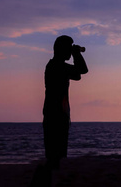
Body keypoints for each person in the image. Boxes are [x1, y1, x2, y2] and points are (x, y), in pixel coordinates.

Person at [42, 35, 88, 170]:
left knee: (58, 154)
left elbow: (78, 75)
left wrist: (75, 54)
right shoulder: (56, 66)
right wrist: (76, 54)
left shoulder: (57, 66)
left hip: (59, 113)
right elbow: (83, 70)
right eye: (68, 49)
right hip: (56, 114)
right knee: (55, 155)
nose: (69, 52)